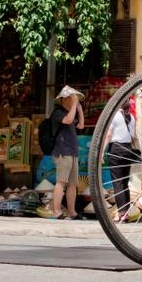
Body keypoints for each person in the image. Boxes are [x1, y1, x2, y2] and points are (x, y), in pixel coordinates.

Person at [49, 85, 85, 220]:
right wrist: (75, 105)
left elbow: (81, 125)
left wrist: (79, 109)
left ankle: (72, 212)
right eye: (71, 99)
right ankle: (57, 211)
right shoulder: (58, 113)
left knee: (72, 184)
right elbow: (69, 120)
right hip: (63, 151)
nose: (73, 102)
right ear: (64, 100)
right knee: (61, 181)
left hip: (72, 152)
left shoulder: (70, 113)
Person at [104, 99, 137, 222]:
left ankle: (121, 213)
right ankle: (126, 213)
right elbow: (133, 136)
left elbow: (108, 135)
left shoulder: (115, 116)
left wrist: (102, 151)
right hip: (127, 149)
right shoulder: (132, 117)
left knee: (117, 183)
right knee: (124, 182)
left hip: (116, 149)